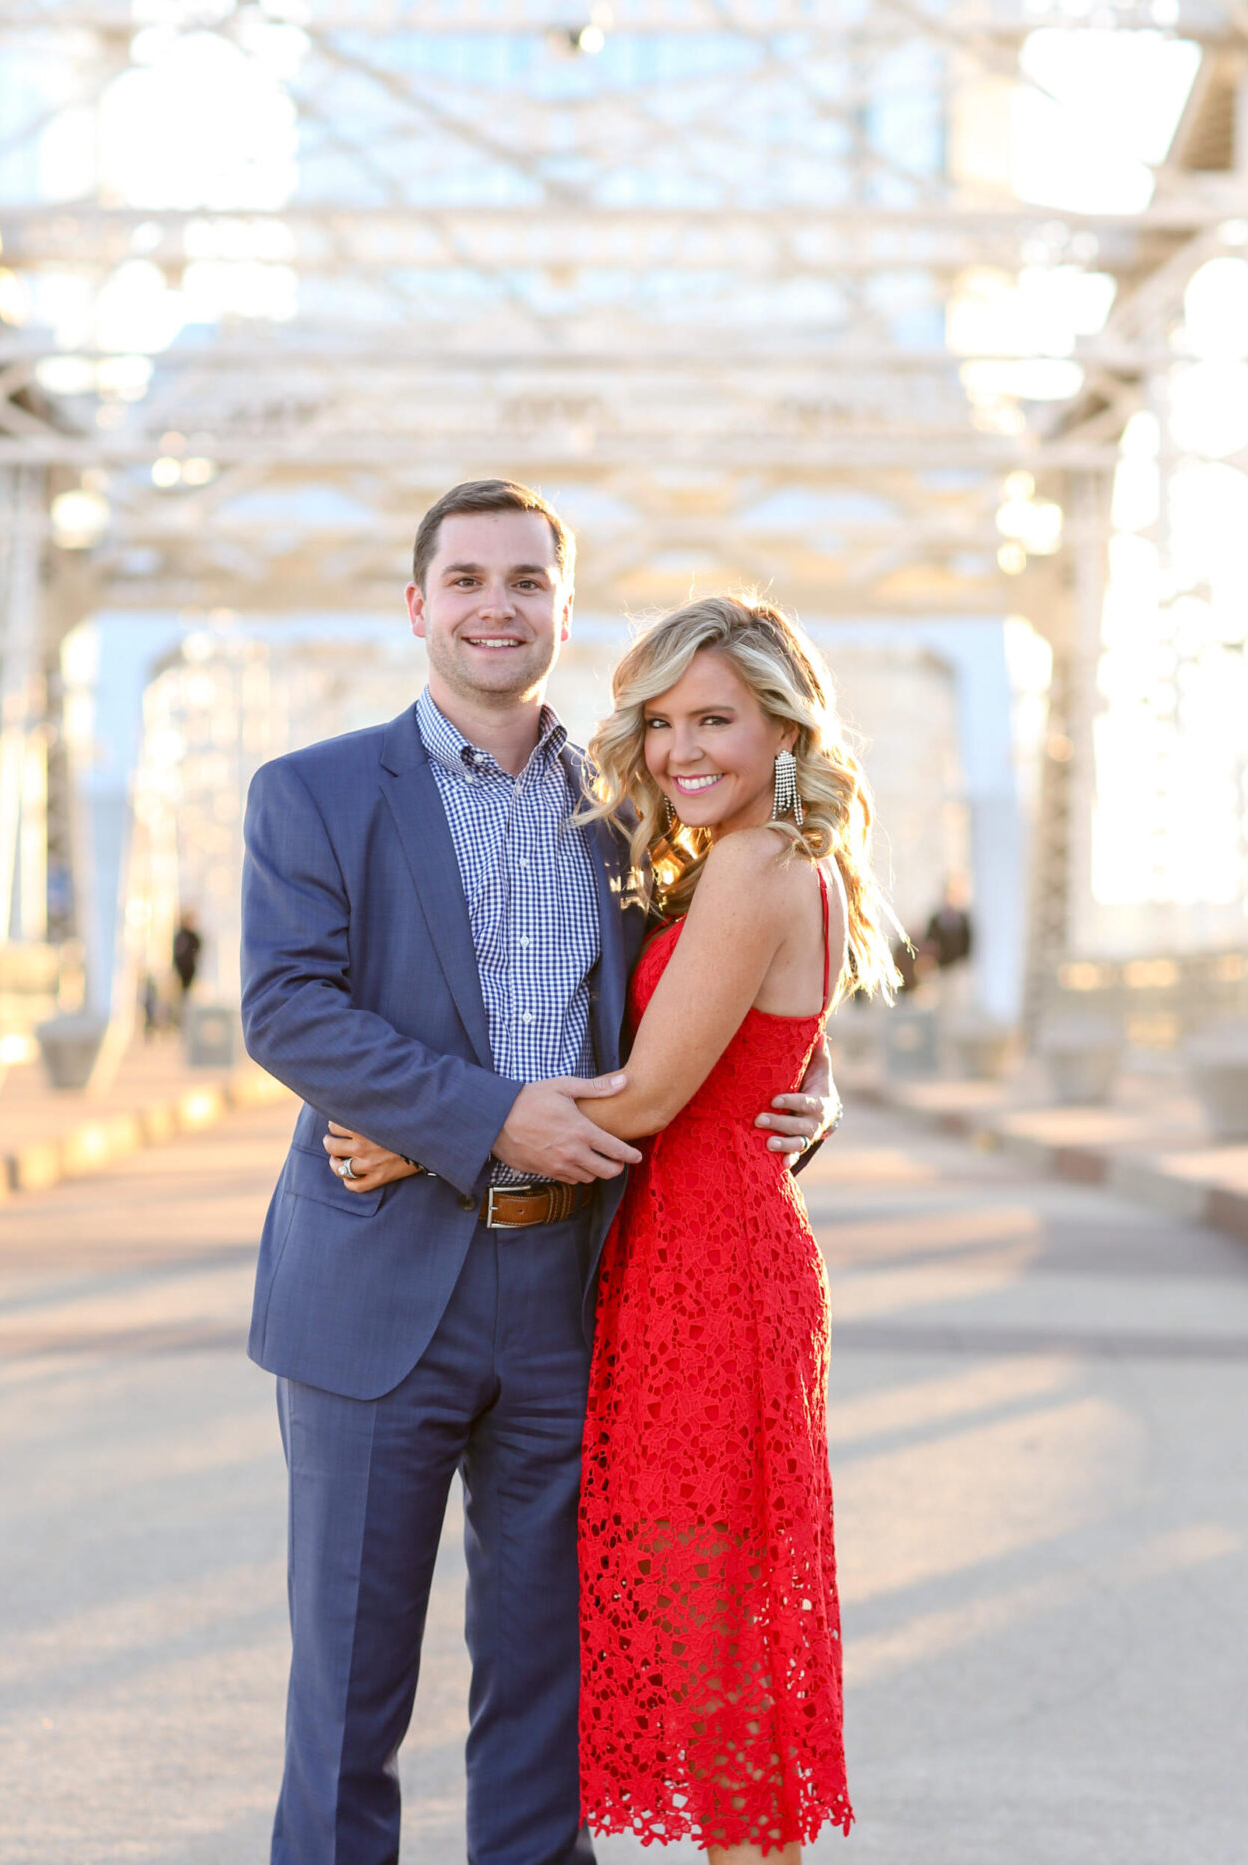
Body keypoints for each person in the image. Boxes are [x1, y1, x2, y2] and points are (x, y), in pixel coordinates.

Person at [239, 480, 837, 1865]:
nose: (495, 605)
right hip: (374, 1290)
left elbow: (730, 994)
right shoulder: (315, 792)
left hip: (577, 1292)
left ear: (565, 613)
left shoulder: (641, 814)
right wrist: (483, 1117)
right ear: (418, 608)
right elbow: (289, 1011)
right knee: (346, 1708)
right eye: (466, 581)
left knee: (545, 1702)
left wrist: (808, 1087)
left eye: (526, 581)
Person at [570, 595, 901, 1860]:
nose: (678, 750)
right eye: (659, 722)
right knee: (714, 1626)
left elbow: (650, 1094)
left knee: (720, 1645)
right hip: (695, 1254)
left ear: (784, 726)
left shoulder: (759, 863)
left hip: (711, 1268)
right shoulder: (751, 858)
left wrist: (426, 1127)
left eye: (714, 718)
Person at [172, 909, 202, 999]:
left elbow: (197, 948)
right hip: (181, 970)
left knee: (187, 992)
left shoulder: (192, 936)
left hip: (189, 969)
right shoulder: (181, 935)